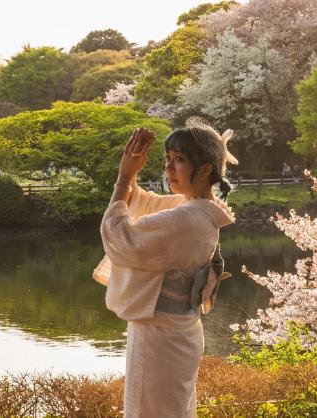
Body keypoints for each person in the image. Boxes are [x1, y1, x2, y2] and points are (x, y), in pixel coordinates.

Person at [93, 124, 239, 418]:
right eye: (167, 159)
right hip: (173, 331)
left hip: (160, 336)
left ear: (204, 169)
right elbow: (149, 205)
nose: (169, 168)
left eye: (180, 160)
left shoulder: (188, 218)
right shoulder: (195, 209)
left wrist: (123, 178)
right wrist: (130, 175)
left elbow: (119, 235)